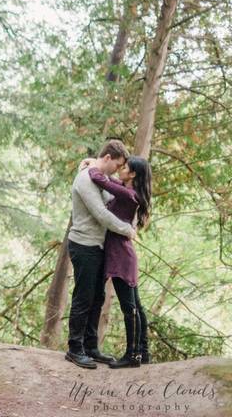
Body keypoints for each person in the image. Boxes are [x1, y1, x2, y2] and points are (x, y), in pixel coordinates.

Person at [65, 139, 137, 369]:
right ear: (107, 158)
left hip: (98, 246)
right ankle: (75, 349)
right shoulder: (85, 179)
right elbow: (101, 214)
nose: (117, 171)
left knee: (97, 297)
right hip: (84, 245)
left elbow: (114, 197)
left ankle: (91, 346)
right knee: (83, 297)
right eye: (117, 165)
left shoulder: (98, 177)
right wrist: (127, 230)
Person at [84, 156, 152, 368]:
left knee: (129, 307)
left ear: (132, 175)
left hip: (122, 257)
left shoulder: (128, 195)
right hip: (121, 255)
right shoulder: (128, 191)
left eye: (125, 168)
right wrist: (97, 164)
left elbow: (100, 179)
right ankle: (141, 353)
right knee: (135, 306)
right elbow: (110, 179)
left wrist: (93, 165)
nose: (121, 169)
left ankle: (132, 356)